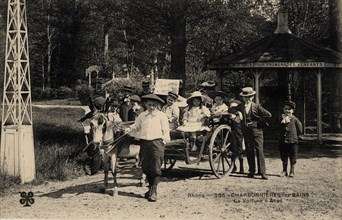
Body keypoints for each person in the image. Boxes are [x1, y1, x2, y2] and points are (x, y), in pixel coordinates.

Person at [125, 94, 170, 202]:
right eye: (149, 105)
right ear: (145, 104)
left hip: (157, 143)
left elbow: (166, 131)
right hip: (144, 143)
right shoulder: (142, 116)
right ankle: (150, 189)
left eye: (154, 105)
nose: (152, 107)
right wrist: (129, 128)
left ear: (158, 105)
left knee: (155, 167)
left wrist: (163, 142)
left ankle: (154, 191)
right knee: (146, 167)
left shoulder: (161, 116)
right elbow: (136, 126)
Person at [240, 87, 272, 180]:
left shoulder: (256, 106)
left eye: (250, 96)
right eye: (246, 97)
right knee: (249, 150)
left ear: (253, 96)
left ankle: (262, 172)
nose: (248, 99)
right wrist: (238, 113)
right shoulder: (241, 106)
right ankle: (252, 171)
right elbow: (231, 110)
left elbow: (269, 115)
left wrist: (260, 122)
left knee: (259, 151)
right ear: (243, 98)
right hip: (246, 131)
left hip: (257, 130)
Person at [278, 100, 303, 178]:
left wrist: (296, 137)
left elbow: (300, 129)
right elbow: (278, 128)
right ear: (283, 109)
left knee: (293, 156)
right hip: (283, 141)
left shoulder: (295, 119)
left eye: (289, 109)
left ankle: (292, 171)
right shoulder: (281, 118)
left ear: (293, 110)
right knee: (284, 156)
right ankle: (284, 170)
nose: (287, 111)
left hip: (292, 141)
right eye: (286, 109)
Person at [228, 99, 245, 174]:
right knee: (232, 151)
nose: (232, 108)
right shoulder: (230, 115)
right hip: (231, 136)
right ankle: (233, 166)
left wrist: (237, 114)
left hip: (239, 136)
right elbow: (230, 110)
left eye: (235, 107)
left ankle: (241, 167)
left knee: (240, 151)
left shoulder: (240, 116)